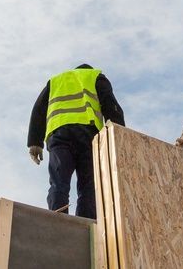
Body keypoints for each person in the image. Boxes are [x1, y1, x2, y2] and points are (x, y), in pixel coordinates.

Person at [27, 63, 125, 219]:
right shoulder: (95, 76)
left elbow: (38, 109)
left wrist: (35, 142)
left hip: (59, 135)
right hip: (88, 135)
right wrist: (118, 140)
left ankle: (56, 217)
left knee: (59, 181)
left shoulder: (56, 81)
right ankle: (86, 221)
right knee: (89, 185)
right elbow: (111, 107)